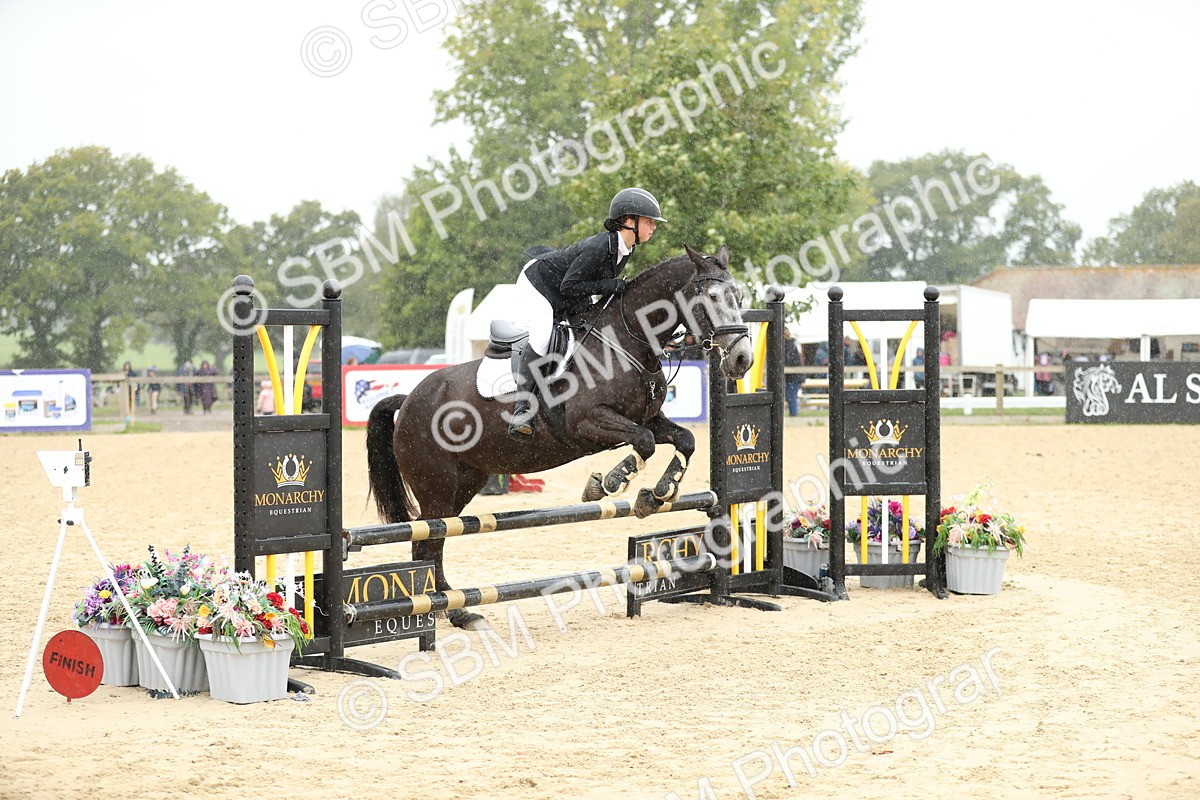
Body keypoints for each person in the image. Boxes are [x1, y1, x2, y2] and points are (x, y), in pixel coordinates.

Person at [506, 187, 666, 440]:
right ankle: (522, 409)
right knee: (542, 335)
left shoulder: (626, 248)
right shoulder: (599, 247)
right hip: (538, 285)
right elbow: (569, 285)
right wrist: (609, 286)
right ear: (628, 222)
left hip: (565, 292)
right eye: (649, 221)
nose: (653, 227)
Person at [782, 327, 804, 416]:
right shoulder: (791, 344)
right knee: (790, 396)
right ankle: (793, 414)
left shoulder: (789, 345)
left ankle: (794, 415)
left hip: (793, 376)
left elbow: (789, 360)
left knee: (791, 397)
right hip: (793, 376)